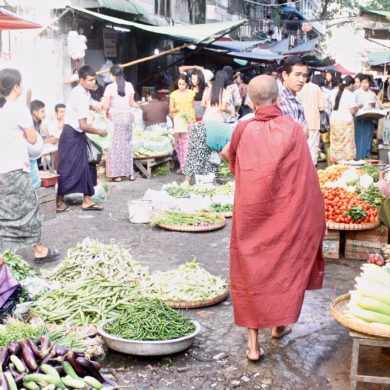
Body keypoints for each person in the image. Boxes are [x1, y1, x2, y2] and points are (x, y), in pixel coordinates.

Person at [228, 74, 325, 361]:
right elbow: (304, 173)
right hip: (286, 213)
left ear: (251, 101)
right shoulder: (294, 130)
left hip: (251, 214)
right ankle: (279, 325)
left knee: (250, 272)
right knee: (282, 265)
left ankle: (253, 345)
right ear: (279, 99)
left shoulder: (242, 130)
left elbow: (234, 165)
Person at [0, 68, 59, 263]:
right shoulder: (17, 109)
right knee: (30, 208)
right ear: (16, 87)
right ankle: (39, 250)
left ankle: (5, 254)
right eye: (21, 83)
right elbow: (33, 139)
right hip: (14, 169)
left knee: (4, 212)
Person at [56, 65, 107, 213]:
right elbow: (83, 125)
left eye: (94, 79)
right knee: (67, 169)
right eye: (90, 80)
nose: (93, 82)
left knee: (87, 166)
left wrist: (94, 106)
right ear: (82, 80)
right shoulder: (79, 95)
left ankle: (87, 200)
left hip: (77, 135)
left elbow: (87, 103)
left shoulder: (84, 92)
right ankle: (59, 203)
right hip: (71, 135)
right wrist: (99, 131)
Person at [102, 65, 135, 182]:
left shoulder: (109, 88)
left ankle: (117, 175)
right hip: (127, 118)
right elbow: (131, 103)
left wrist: (103, 106)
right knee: (127, 145)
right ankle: (130, 173)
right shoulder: (130, 85)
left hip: (114, 118)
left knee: (115, 147)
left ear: (113, 75)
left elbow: (105, 106)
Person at [298, 69, 325, 164]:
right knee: (312, 150)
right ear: (312, 75)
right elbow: (322, 106)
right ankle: (311, 171)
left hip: (300, 124)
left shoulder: (298, 88)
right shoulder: (316, 88)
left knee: (301, 150)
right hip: (313, 122)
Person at [169, 74, 195, 173]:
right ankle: (182, 165)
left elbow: (192, 107)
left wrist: (194, 120)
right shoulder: (173, 94)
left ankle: (186, 167)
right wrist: (176, 109)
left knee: (187, 144)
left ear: (187, 84)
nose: (181, 86)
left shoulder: (191, 93)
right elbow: (170, 110)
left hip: (189, 121)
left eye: (183, 84)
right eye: (179, 84)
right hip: (179, 122)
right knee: (178, 145)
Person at [329, 75, 357, 162]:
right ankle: (347, 162)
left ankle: (335, 161)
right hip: (346, 121)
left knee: (335, 142)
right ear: (351, 84)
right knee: (347, 143)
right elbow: (353, 110)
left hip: (334, 120)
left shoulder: (333, 92)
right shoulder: (350, 94)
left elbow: (332, 106)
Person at [278, 56, 308, 133]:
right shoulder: (279, 100)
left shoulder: (297, 99)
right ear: (285, 75)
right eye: (297, 75)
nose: (301, 80)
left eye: (304, 76)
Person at [354, 74, 380, 160]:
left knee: (368, 138)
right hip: (359, 120)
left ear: (369, 83)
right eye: (362, 82)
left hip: (369, 119)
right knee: (359, 139)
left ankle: (366, 157)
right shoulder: (356, 93)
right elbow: (352, 106)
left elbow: (377, 106)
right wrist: (358, 106)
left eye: (366, 82)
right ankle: (358, 159)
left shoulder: (372, 94)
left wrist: (375, 105)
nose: (364, 84)